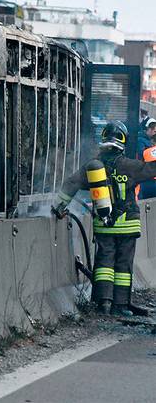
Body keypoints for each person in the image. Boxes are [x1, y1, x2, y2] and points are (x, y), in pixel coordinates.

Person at [54, 120, 156, 316]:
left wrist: (56, 207)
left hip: (104, 224)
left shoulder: (93, 167)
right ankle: (120, 305)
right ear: (123, 141)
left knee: (104, 263)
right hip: (127, 224)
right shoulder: (130, 166)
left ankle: (103, 303)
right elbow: (152, 170)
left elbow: (71, 183)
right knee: (123, 265)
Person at [137, 117, 156, 199]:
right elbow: (142, 155)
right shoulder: (141, 140)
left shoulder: (149, 140)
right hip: (145, 175)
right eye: (155, 131)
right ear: (150, 129)